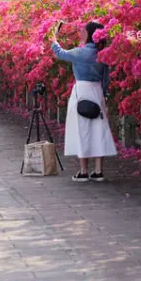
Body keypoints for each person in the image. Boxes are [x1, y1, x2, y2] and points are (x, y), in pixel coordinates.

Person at [51, 20, 116, 182]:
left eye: (83, 31)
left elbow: (60, 53)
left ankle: (83, 171)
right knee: (98, 130)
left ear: (89, 34)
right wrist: (105, 97)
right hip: (97, 92)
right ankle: (99, 171)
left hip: (81, 91)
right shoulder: (103, 53)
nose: (81, 33)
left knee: (82, 130)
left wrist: (54, 39)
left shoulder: (81, 52)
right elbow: (106, 79)